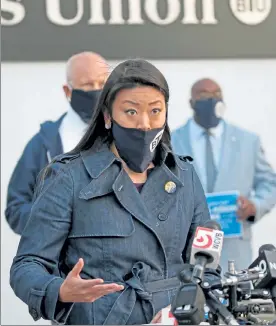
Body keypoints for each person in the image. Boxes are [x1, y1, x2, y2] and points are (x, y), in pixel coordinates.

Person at [10, 59, 211, 325]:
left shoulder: (184, 175)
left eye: (155, 111)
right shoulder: (67, 177)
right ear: (107, 116)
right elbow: (26, 266)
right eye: (130, 112)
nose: (144, 124)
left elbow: (207, 266)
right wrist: (58, 290)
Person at [171, 78, 276, 271]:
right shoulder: (171, 141)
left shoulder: (248, 141)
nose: (211, 100)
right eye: (203, 95)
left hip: (235, 247)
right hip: (186, 248)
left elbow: (270, 183)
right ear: (191, 103)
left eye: (216, 95)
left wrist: (255, 205)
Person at [5, 51, 109, 235]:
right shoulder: (44, 144)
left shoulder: (126, 134)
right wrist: (54, 219)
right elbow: (15, 208)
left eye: (102, 84)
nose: (96, 90)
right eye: (87, 85)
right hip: (60, 262)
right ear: (68, 91)